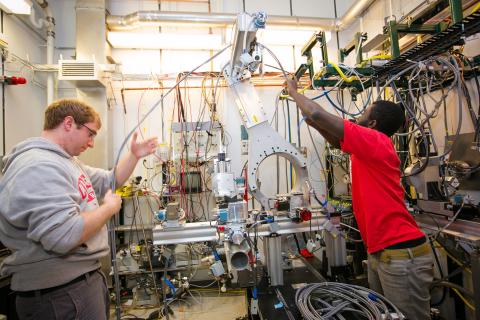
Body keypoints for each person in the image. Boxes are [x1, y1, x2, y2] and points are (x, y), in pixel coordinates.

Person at [286, 78, 434, 320]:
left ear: (372, 123)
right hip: (381, 252)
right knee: (382, 315)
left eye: (364, 113)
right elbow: (335, 139)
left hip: (400, 254)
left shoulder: (375, 141)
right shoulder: (367, 147)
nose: (357, 116)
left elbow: (316, 111)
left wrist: (293, 91)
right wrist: (314, 125)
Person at [0, 98, 158, 320]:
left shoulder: (67, 162)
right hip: (59, 295)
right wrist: (108, 209)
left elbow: (109, 181)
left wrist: (134, 155)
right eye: (90, 133)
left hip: (76, 286)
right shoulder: (39, 166)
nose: (92, 142)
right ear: (68, 123)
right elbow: (64, 235)